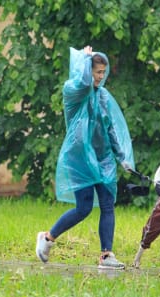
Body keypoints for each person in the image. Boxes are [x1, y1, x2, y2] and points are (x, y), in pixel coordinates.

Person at [36, 45, 135, 269]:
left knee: (108, 204)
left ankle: (106, 255)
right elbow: (82, 84)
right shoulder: (73, 90)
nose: (101, 76)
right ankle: (47, 238)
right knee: (84, 208)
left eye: (102, 72)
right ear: (86, 70)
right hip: (80, 159)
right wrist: (84, 59)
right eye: (96, 71)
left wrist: (122, 157)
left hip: (103, 159)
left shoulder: (103, 97)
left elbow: (110, 129)